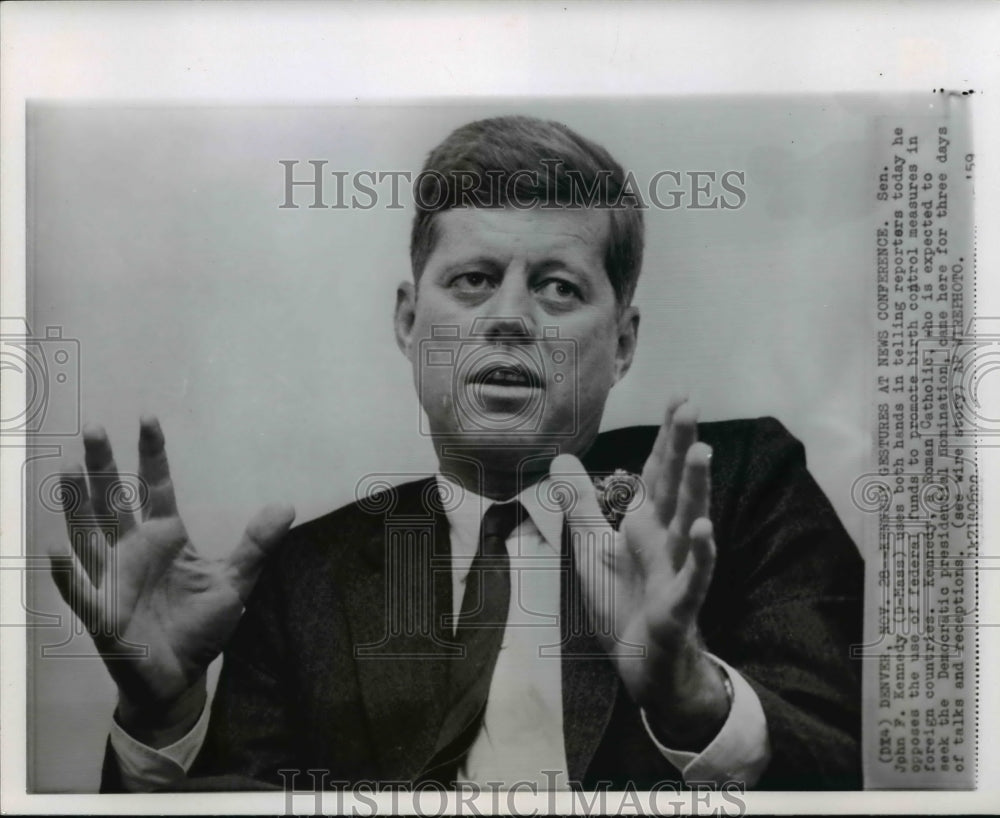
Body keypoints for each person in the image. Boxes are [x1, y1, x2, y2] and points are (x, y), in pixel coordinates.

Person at [49, 115, 863, 793]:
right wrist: (163, 714)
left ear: (623, 343)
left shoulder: (739, 488)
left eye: (558, 287)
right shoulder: (308, 579)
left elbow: (855, 768)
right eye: (473, 279)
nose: (509, 317)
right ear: (409, 323)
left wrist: (691, 694)